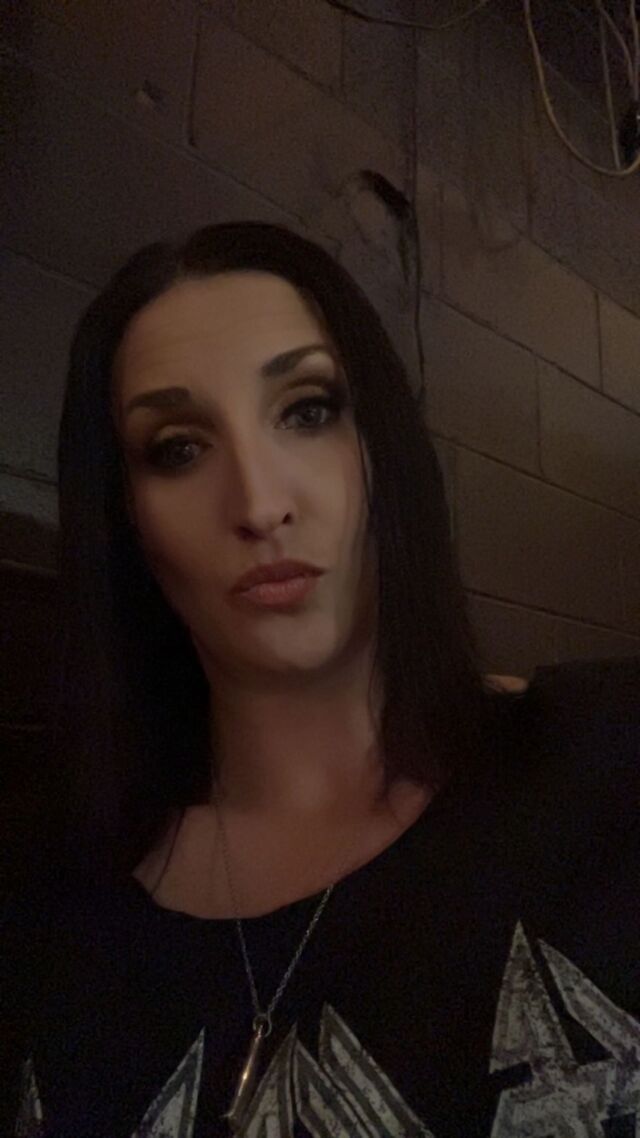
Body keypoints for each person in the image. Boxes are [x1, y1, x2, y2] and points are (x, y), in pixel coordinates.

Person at [1, 221, 638, 1138]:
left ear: (383, 445)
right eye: (178, 448)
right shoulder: (48, 909)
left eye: (307, 410)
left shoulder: (610, 768)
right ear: (125, 517)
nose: (260, 504)